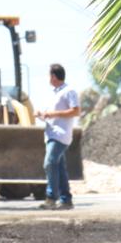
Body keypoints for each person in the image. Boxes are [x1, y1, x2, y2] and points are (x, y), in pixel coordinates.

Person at [35, 63, 80, 210]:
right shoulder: (54, 94)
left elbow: (75, 111)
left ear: (54, 76)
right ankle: (66, 199)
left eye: (49, 75)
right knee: (59, 167)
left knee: (49, 163)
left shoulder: (69, 91)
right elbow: (53, 115)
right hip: (51, 133)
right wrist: (43, 115)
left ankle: (51, 198)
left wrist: (52, 114)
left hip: (60, 135)